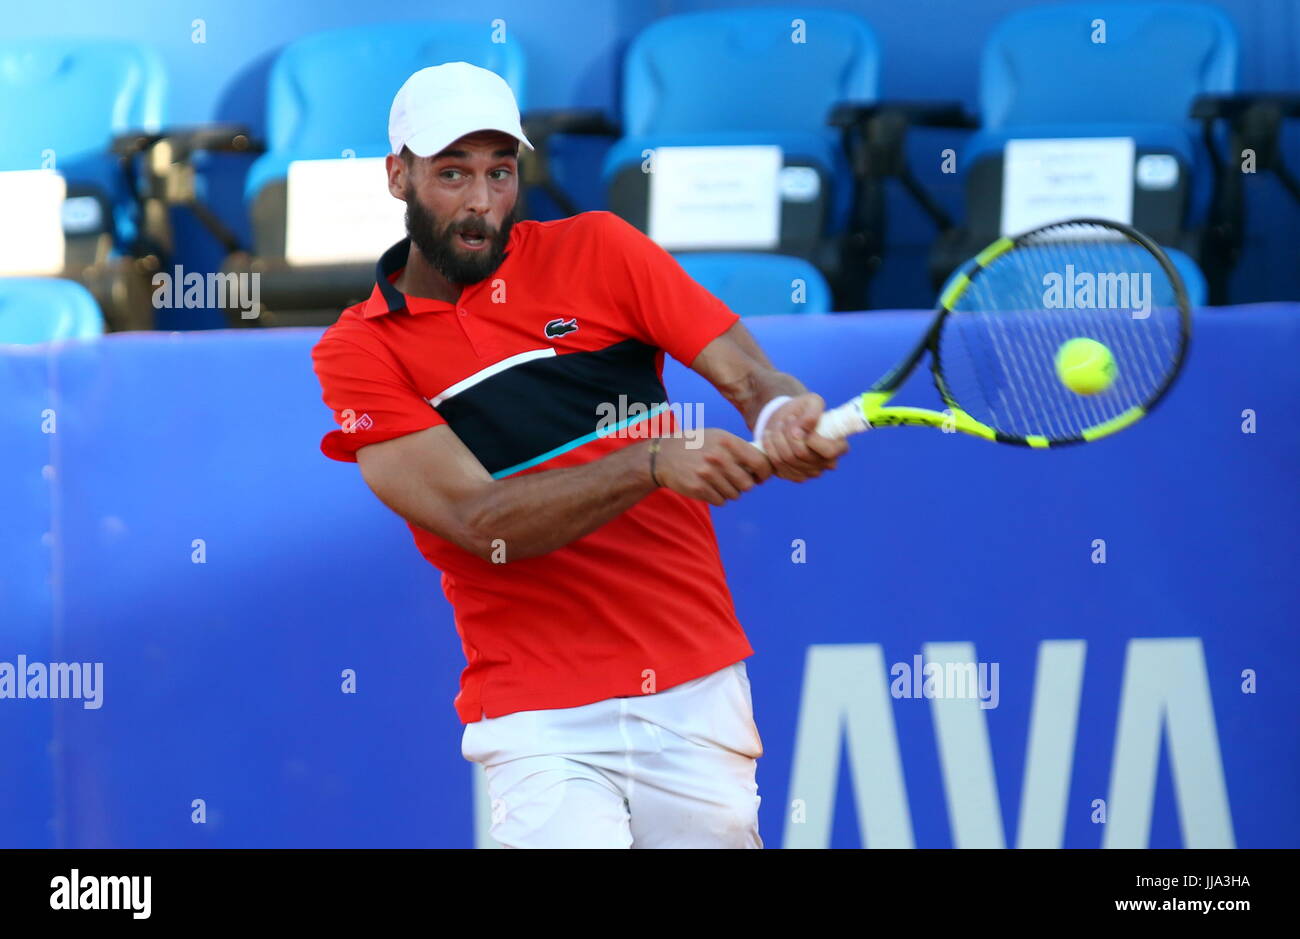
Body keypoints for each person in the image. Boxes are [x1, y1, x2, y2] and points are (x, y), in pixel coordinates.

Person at [310, 62, 847, 848]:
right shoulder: (357, 352)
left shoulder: (601, 249)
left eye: (499, 173)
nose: (479, 204)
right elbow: (476, 517)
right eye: (452, 174)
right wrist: (653, 462)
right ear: (398, 176)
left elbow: (750, 374)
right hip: (535, 707)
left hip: (692, 676)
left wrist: (779, 415)